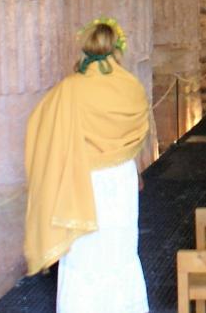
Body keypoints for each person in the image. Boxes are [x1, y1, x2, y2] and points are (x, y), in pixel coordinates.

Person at [23, 18, 150, 313]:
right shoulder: (130, 86)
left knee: (85, 256)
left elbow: (40, 130)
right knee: (120, 250)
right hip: (121, 179)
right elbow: (140, 132)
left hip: (83, 182)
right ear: (117, 49)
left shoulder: (69, 90)